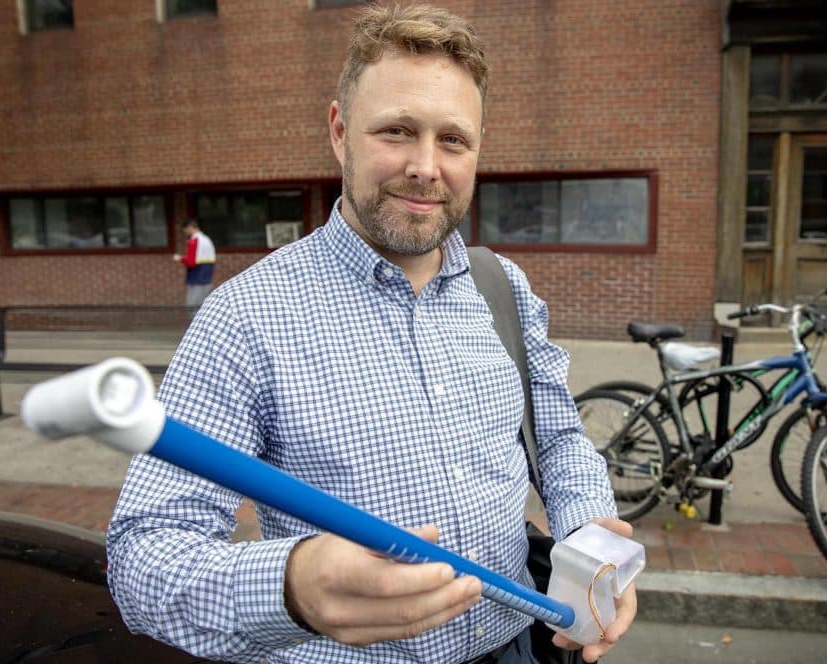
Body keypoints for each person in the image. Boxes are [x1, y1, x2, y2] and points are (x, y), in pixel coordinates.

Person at [106, 4, 636, 663]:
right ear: (339, 131)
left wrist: (589, 537)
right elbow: (143, 561)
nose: (425, 165)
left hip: (518, 646)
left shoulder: (504, 290)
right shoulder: (245, 318)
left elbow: (558, 442)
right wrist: (289, 586)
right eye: (396, 130)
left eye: (453, 140)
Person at [173, 218, 216, 308]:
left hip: (196, 278)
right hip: (207, 277)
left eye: (184, 230)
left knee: (192, 308)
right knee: (205, 307)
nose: (185, 233)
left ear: (189, 228)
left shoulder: (194, 241)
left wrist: (180, 258)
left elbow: (191, 262)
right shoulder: (206, 239)